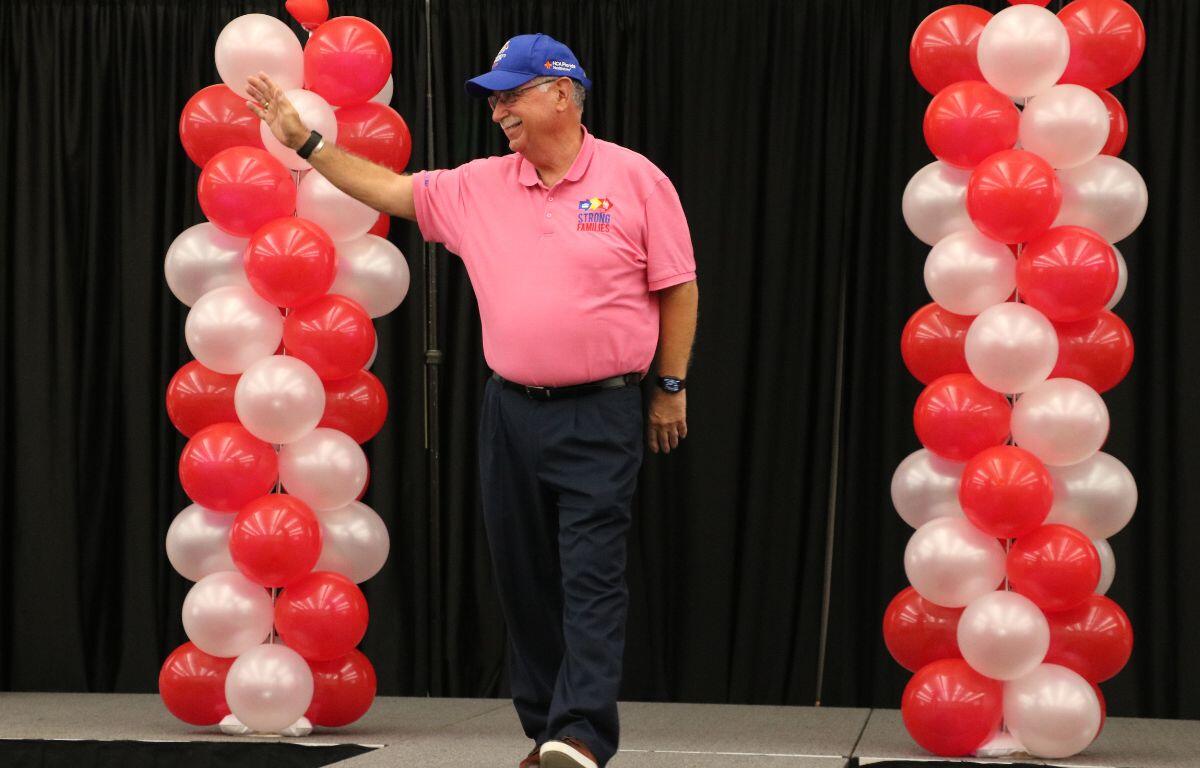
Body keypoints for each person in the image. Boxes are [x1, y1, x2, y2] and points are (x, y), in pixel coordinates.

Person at [247, 32, 698, 768]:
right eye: (493, 100)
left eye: (512, 94)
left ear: (562, 92)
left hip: (602, 412)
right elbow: (392, 190)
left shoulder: (635, 178)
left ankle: (581, 732)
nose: (498, 112)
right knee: (522, 579)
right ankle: (546, 732)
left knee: (590, 573)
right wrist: (311, 144)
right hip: (510, 413)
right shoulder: (480, 185)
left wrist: (671, 387)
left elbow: (678, 286)